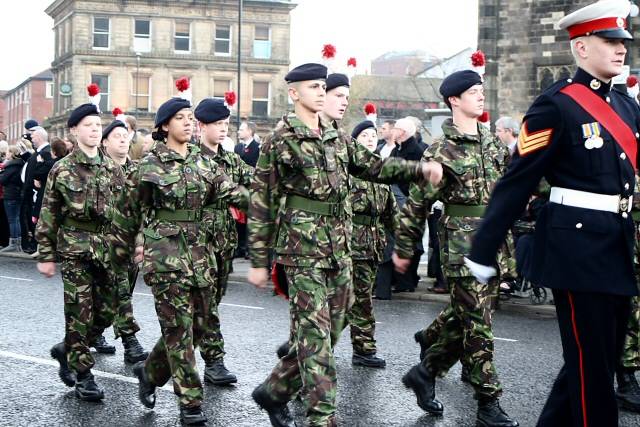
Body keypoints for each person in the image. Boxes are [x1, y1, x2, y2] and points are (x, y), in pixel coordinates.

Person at [465, 2, 640, 425]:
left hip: (616, 245)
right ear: (581, 48)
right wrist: (484, 248)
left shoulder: (627, 106)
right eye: (610, 41)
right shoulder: (555, 105)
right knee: (593, 373)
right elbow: (517, 180)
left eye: (624, 42)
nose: (622, 50)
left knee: (595, 357)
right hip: (576, 250)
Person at [247, 62, 442, 427]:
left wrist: (418, 170)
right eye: (313, 87)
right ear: (294, 93)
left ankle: (273, 391)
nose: (321, 92)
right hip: (302, 253)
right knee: (316, 341)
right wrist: (258, 259)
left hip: (340, 250)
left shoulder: (336, 137)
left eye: (324, 86)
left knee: (331, 331)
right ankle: (323, 418)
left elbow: (373, 167)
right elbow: (262, 201)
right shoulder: (280, 139)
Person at [109, 79, 246, 425]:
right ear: (164, 125)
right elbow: (127, 216)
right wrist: (125, 253)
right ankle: (191, 404)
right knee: (178, 331)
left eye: (190, 117)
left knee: (199, 326)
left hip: (201, 257)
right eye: (180, 117)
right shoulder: (148, 166)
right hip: (165, 258)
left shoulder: (205, 163)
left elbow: (234, 194)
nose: (188, 122)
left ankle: (151, 374)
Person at [393, 69, 517, 427]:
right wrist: (404, 248)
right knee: (479, 326)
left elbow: (517, 182)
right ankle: (488, 403)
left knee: (470, 317)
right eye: (474, 92)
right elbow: (417, 203)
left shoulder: (492, 143)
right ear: (454, 100)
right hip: (461, 246)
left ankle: (426, 362)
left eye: (482, 90)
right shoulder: (440, 150)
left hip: (495, 243)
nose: (481, 96)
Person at [35, 87, 123, 402]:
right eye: (87, 125)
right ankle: (84, 375)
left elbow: (124, 212)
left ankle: (67, 347)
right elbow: (49, 214)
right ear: (74, 131)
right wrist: (46, 255)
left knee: (108, 312)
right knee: (79, 313)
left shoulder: (112, 167)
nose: (94, 130)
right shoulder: (62, 169)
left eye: (97, 125)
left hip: (107, 249)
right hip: (74, 249)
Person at [194, 94, 251, 386]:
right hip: (194, 245)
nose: (223, 128)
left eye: (226, 123)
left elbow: (255, 180)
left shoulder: (230, 158)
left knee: (210, 303)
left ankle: (161, 364)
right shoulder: (188, 158)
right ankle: (214, 362)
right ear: (201, 125)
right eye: (217, 123)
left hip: (223, 243)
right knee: (206, 306)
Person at [347, 119, 398, 368]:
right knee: (344, 300)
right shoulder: (346, 169)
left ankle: (364, 349)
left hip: (371, 245)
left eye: (372, 135)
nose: (369, 138)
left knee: (363, 298)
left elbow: (392, 213)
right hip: (346, 244)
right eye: (364, 135)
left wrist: (404, 241)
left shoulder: (380, 171)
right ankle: (303, 352)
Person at [100, 112, 149, 364]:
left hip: (135, 242)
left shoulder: (137, 170)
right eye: (116, 136)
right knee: (120, 292)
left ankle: (93, 333)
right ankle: (130, 342)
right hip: (107, 242)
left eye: (124, 136)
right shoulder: (99, 170)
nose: (122, 140)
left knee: (122, 292)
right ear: (105, 142)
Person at [21, 126, 52, 253]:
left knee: (34, 220)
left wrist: (35, 185)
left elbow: (43, 172)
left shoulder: (45, 152)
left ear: (39, 137)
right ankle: (31, 244)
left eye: (33, 137)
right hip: (29, 191)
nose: (31, 139)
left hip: (35, 193)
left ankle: (34, 244)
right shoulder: (39, 151)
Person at [0, 145, 26, 253]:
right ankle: (17, 243)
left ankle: (14, 243)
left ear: (12, 153)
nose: (6, 154)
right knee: (16, 219)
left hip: (11, 195)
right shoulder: (19, 164)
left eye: (8, 152)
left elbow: (3, 180)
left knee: (13, 220)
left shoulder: (12, 166)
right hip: (16, 194)